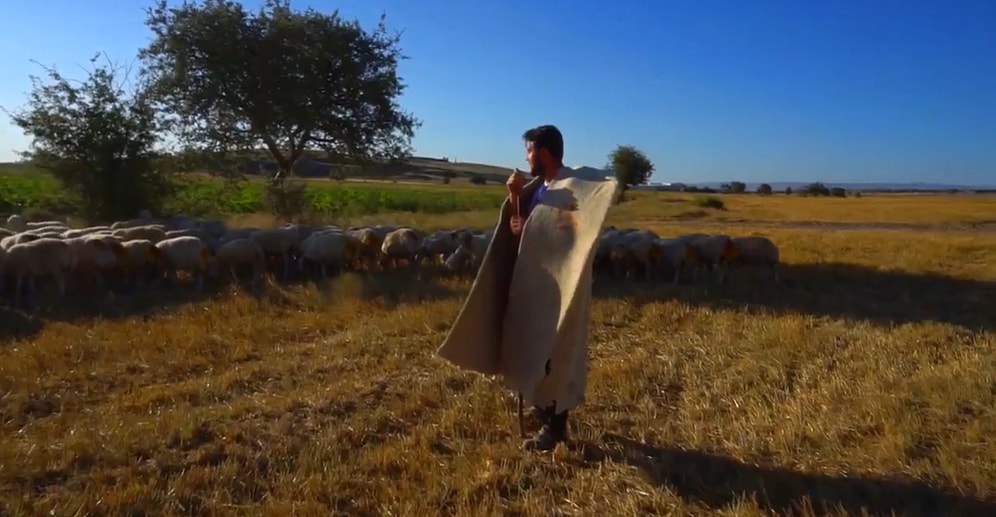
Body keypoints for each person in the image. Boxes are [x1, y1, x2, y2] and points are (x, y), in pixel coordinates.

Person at [508, 124, 576, 451]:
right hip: (535, 284)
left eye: (530, 150)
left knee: (553, 357)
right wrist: (514, 198)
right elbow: (524, 232)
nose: (526, 156)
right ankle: (543, 416)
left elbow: (568, 236)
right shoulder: (538, 189)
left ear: (544, 153)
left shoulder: (569, 191)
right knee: (533, 352)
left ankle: (554, 429)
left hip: (557, 288)